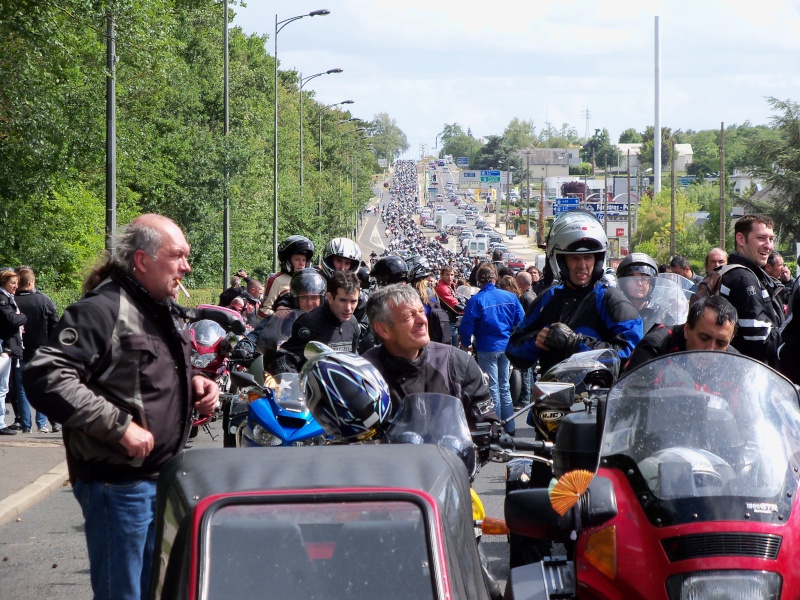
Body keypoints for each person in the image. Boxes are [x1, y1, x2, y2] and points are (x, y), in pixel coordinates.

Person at [24, 214, 219, 600]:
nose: (187, 266)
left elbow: (144, 372)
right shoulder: (103, 308)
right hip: (120, 486)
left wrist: (194, 382)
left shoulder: (158, 305)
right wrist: (119, 426)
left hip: (160, 479)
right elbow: (45, 375)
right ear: (143, 261)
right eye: (178, 256)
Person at [506, 209, 643, 374]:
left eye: (588, 258)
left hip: (598, 395)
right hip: (552, 394)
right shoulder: (548, 298)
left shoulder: (610, 299)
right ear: (561, 261)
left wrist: (576, 343)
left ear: (597, 260)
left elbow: (632, 354)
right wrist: (535, 340)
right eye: (575, 258)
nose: (582, 265)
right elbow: (513, 350)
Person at [362, 284, 498, 428]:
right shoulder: (363, 375)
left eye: (422, 311)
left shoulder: (458, 363)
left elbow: (487, 426)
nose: (422, 320)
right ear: (383, 329)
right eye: (410, 315)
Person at [459, 263, 524, 434]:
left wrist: (466, 344)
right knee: (504, 387)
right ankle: (509, 427)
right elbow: (523, 320)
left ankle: (497, 429)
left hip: (487, 347)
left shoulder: (476, 300)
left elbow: (466, 326)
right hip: (506, 345)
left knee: (492, 387)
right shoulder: (510, 297)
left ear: (480, 281)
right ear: (495, 278)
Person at [718, 214, 783, 365]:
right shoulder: (744, 279)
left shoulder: (733, 272)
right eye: (761, 238)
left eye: (771, 239)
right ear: (741, 239)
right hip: (748, 373)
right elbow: (759, 340)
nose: (768, 246)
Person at [269, 270, 361, 374]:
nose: (348, 308)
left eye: (353, 301)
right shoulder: (309, 323)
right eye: (343, 300)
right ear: (330, 298)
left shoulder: (353, 324)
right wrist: (295, 387)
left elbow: (353, 360)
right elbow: (284, 359)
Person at [624, 295, 738, 372]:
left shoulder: (735, 362)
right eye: (704, 338)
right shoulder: (655, 348)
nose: (711, 349)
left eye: (721, 343)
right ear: (687, 330)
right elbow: (630, 399)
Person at [12, 266, 59, 433]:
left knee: (22, 388)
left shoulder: (12, 301)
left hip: (19, 350)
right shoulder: (44, 300)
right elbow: (55, 324)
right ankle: (42, 423)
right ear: (31, 282)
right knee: (42, 386)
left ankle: (26, 425)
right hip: (41, 349)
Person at [616, 252, 675, 330]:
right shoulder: (614, 311)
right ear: (624, 283)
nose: (639, 283)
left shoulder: (663, 314)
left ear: (651, 284)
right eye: (634, 279)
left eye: (644, 279)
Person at [0, 268, 26, 435]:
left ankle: (1, 421)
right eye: (13, 283)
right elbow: (11, 319)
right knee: (2, 386)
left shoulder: (8, 297)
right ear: (4, 283)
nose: (16, 286)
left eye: (17, 283)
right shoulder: (2, 299)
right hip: (3, 346)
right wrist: (23, 317)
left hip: (7, 346)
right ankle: (0, 423)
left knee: (4, 386)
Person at [262, 235, 315, 312]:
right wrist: (278, 315)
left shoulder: (308, 282)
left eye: (304, 260)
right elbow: (263, 310)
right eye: (297, 259)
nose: (301, 264)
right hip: (283, 323)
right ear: (287, 260)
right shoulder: (276, 280)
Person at [435, 265, 465, 346]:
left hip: (453, 321)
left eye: (451, 275)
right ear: (441, 276)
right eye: (447, 275)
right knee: (451, 350)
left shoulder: (451, 285)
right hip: (448, 322)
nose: (450, 277)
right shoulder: (442, 288)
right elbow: (454, 304)